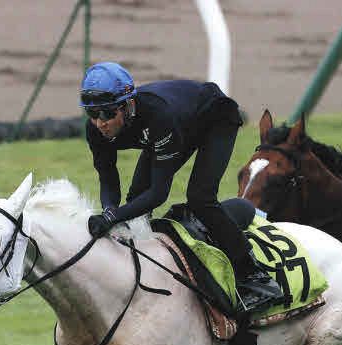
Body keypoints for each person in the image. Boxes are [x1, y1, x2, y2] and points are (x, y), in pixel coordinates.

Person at [79, 62, 283, 314]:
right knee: (134, 201)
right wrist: (110, 211)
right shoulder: (96, 130)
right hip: (180, 123)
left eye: (107, 113)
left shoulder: (158, 117)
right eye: (92, 114)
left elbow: (158, 194)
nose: (100, 123)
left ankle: (254, 275)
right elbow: (108, 178)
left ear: (127, 105)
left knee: (200, 198)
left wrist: (111, 217)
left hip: (215, 117)